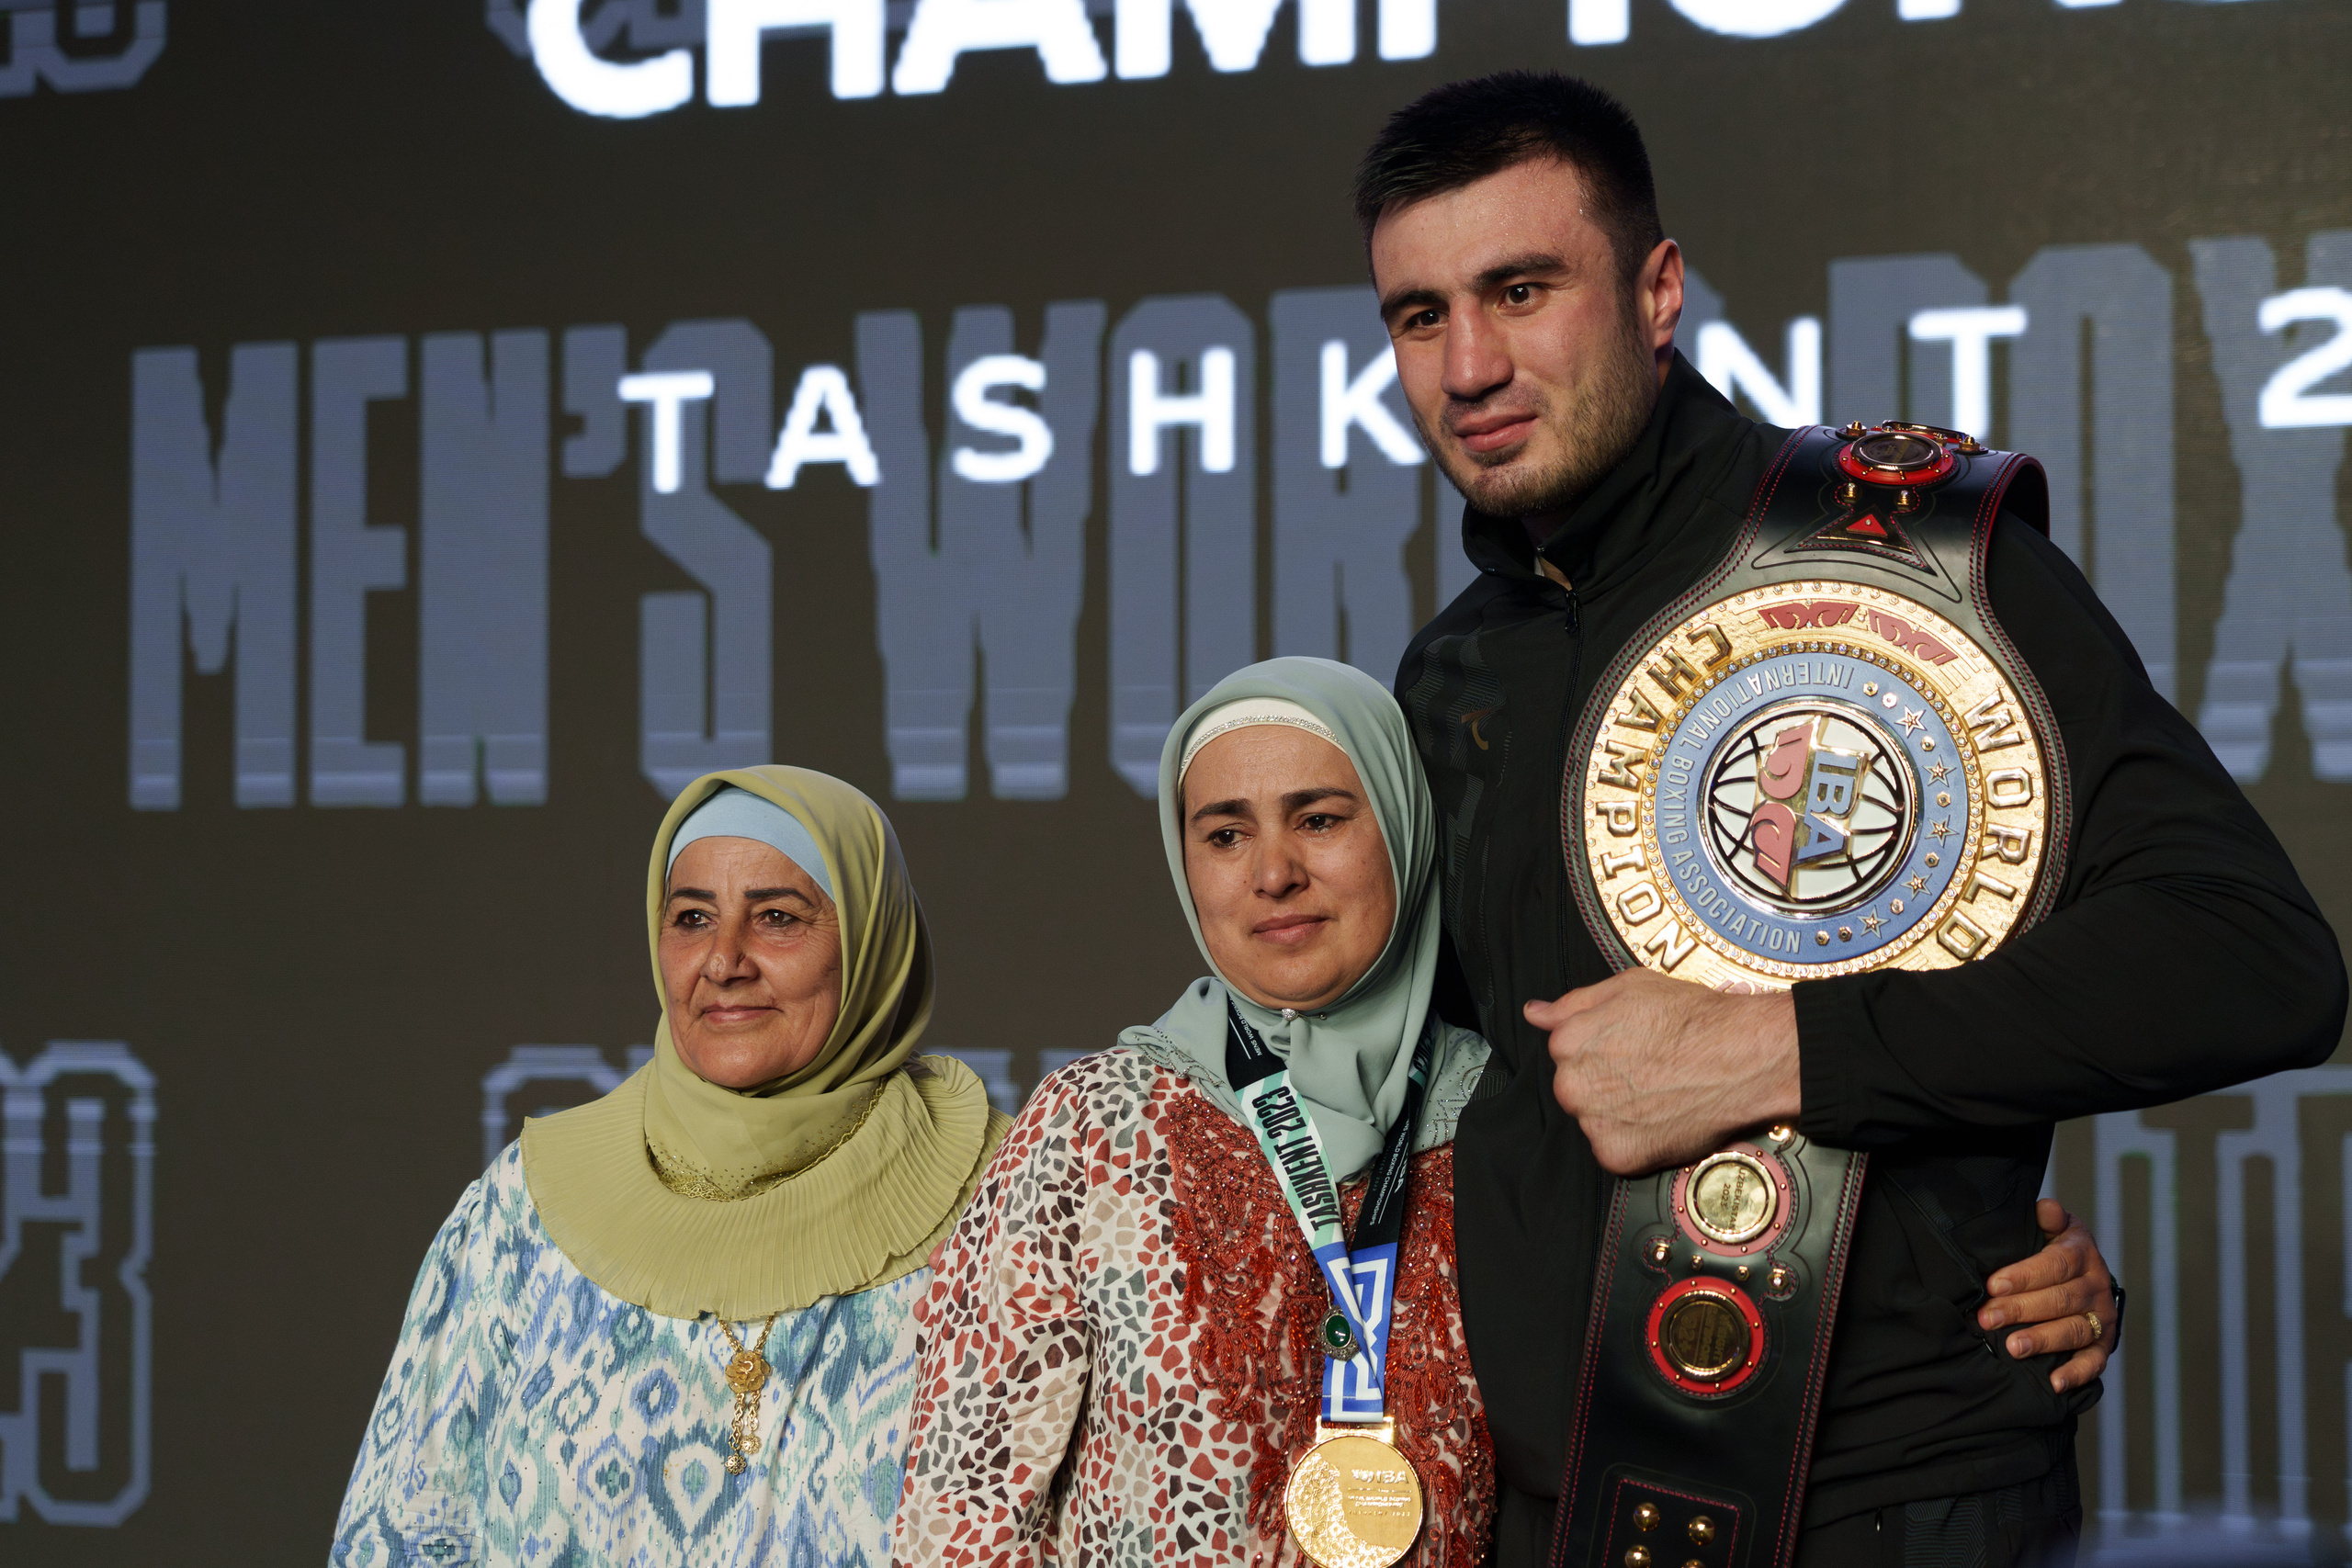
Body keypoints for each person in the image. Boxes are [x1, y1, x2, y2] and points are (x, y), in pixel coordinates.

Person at [1363, 73, 2349, 1564]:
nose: (1471, 362)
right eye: (1420, 314)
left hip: (1898, 1502)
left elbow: (2253, 959)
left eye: (1521, 288)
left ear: (1656, 290)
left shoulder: (1913, 557)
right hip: (1558, 1515)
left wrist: (1791, 1052)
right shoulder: (1452, 672)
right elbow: (1415, 1108)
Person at [890, 658, 2119, 1566]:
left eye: (1321, 815)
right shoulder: (1097, 1126)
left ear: (1406, 831)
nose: (1272, 872)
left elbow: (1773, 1306)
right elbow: (962, 1512)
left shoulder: (1531, 1111)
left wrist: (2027, 1275)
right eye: (1224, 832)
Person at [333, 767, 1006, 1567]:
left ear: (871, 942)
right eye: (692, 918)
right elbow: (403, 1537)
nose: (724, 961)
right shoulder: (522, 1211)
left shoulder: (1006, 1201)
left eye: (777, 918)